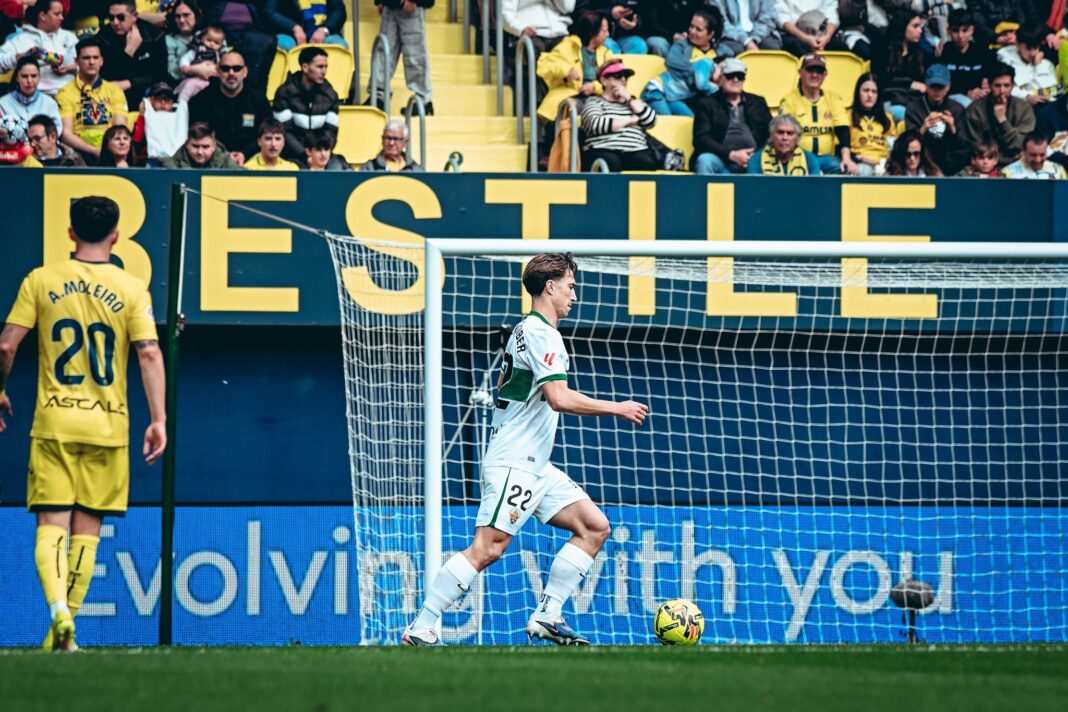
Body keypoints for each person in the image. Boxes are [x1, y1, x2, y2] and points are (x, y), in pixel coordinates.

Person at [402, 252, 649, 647]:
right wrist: (616, 407)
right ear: (550, 287)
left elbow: (519, 390)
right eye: (570, 287)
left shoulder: (524, 330)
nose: (574, 296)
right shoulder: (541, 334)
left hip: (535, 465)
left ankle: (548, 615)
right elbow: (558, 398)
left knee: (594, 527)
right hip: (516, 462)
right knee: (489, 548)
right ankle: (422, 625)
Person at [0, 196, 166, 652]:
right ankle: (65, 630)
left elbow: (6, 345)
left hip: (54, 421)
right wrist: (158, 419)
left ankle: (57, 611)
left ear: (70, 232)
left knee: (51, 525)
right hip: (108, 427)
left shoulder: (40, 280)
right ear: (117, 236)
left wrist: (0, 389)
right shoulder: (132, 288)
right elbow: (149, 352)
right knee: (87, 530)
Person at [187, 49, 270, 165]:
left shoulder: (259, 100)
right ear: (217, 71)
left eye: (237, 68)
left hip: (252, 160)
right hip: (212, 161)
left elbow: (266, 135)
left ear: (245, 72)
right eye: (225, 68)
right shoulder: (201, 100)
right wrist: (224, 156)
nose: (231, 73)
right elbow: (197, 136)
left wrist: (244, 154)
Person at [692, 56, 771, 174]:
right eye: (730, 75)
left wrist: (754, 157)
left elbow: (770, 133)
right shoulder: (706, 103)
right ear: (720, 78)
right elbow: (701, 139)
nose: (735, 80)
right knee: (705, 160)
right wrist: (731, 154)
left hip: (753, 160)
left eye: (740, 76)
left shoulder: (758, 102)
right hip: (720, 159)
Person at [54, 37, 129, 162]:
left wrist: (106, 152)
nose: (92, 62)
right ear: (77, 61)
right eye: (86, 58)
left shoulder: (115, 91)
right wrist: (94, 150)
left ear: (101, 61)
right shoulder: (65, 93)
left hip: (110, 152)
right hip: (78, 153)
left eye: (95, 57)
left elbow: (119, 130)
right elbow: (66, 135)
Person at [778, 53, 855, 174]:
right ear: (800, 72)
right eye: (810, 70)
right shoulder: (789, 101)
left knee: (848, 170)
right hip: (799, 158)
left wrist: (846, 159)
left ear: (825, 75)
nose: (814, 75)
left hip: (828, 159)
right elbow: (785, 134)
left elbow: (843, 131)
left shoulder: (834, 99)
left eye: (819, 71)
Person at [580, 59, 658, 171]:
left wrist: (629, 98)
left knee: (646, 162)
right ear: (604, 80)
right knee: (611, 162)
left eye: (625, 76)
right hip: (603, 149)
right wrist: (630, 120)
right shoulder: (594, 102)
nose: (623, 80)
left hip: (635, 150)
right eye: (617, 76)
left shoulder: (634, 103)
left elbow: (651, 121)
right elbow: (594, 124)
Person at [640, 9, 721, 117]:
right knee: (667, 123)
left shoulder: (718, 54)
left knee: (690, 121)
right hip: (657, 90)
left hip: (674, 97)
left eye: (698, 29)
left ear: (710, 34)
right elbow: (672, 63)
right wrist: (704, 77)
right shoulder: (682, 45)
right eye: (691, 26)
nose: (692, 31)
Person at [535, 9, 611, 123]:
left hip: (599, 98)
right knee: (569, 108)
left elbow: (613, 80)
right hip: (570, 95)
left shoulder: (606, 53)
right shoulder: (568, 46)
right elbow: (545, 66)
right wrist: (567, 70)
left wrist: (594, 87)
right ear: (592, 32)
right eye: (604, 31)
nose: (608, 35)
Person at [960, 61, 1036, 166]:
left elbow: (1020, 144)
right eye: (997, 85)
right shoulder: (975, 110)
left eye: (1006, 85)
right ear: (990, 85)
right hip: (984, 165)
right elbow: (975, 147)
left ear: (1012, 86)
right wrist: (1004, 159)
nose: (1002, 91)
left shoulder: (1024, 109)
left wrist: (1002, 120)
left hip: (1017, 164)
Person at [272, 45, 338, 160]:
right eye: (319, 67)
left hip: (321, 156)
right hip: (292, 157)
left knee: (339, 167)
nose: (324, 71)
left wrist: (319, 154)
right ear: (305, 67)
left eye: (326, 67)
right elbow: (284, 132)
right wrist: (304, 155)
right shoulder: (284, 93)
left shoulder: (330, 95)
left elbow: (331, 132)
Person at [95, 1, 168, 107]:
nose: (115, 22)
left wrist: (131, 83)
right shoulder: (103, 38)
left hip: (146, 91)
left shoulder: (154, 36)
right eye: (111, 18)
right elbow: (108, 74)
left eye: (121, 17)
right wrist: (128, 51)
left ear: (134, 16)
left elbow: (160, 73)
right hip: (114, 93)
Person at [367, 0, 433, 115]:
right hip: (390, 5)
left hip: (412, 7)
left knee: (414, 55)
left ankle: (423, 101)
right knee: (383, 52)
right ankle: (378, 96)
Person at [0, 0, 78, 96]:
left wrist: (72, 68)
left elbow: (88, 63)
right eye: (57, 14)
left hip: (70, 96)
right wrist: (18, 58)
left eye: (62, 14)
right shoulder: (21, 39)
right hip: (36, 98)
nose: (62, 18)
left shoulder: (69, 36)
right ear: (43, 16)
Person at [199, 0, 277, 95]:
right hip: (221, 34)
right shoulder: (216, 5)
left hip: (250, 36)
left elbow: (263, 18)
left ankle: (253, 92)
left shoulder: (252, 5)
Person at [904, 64, 969, 175]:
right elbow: (908, 144)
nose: (937, 91)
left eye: (941, 87)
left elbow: (964, 145)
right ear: (926, 85)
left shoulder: (957, 109)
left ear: (948, 87)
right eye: (933, 86)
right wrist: (923, 129)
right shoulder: (914, 108)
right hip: (924, 160)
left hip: (950, 160)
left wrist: (953, 129)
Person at [872, 9, 927, 117]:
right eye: (915, 26)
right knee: (904, 114)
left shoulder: (920, 52)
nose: (920, 31)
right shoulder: (882, 49)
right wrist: (909, 84)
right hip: (890, 99)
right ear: (903, 27)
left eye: (920, 26)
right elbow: (880, 80)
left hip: (913, 100)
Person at [939, 10, 992, 108]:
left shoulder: (981, 51)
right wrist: (968, 91)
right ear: (948, 31)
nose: (960, 36)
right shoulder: (944, 51)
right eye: (955, 31)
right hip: (953, 97)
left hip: (980, 95)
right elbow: (941, 83)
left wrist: (988, 85)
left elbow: (991, 74)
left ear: (971, 30)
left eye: (964, 30)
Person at [0, 55, 63, 138]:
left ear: (39, 77)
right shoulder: (3, 103)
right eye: (24, 76)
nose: (29, 81)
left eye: (33, 76)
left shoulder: (49, 103)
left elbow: (56, 130)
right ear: (17, 78)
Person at [996, 22, 1059, 106]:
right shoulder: (1005, 60)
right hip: (1018, 105)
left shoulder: (1046, 64)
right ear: (1017, 44)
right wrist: (1026, 96)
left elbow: (1052, 90)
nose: (1032, 53)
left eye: (1035, 48)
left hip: (1046, 106)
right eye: (1028, 48)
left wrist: (1039, 66)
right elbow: (1004, 88)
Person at [848, 72, 895, 176]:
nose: (870, 95)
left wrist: (889, 159)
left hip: (884, 164)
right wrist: (857, 158)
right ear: (858, 92)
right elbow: (840, 148)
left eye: (874, 92)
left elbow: (893, 146)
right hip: (860, 163)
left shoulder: (887, 118)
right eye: (866, 90)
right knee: (864, 171)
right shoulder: (848, 115)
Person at [132, 81, 188, 165]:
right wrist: (142, 115)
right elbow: (137, 141)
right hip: (150, 161)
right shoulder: (140, 117)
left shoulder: (179, 120)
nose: (163, 103)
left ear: (172, 102)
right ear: (150, 100)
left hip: (176, 162)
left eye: (167, 99)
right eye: (158, 99)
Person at [748, 113, 821, 174]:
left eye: (790, 133)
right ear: (771, 136)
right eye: (780, 132)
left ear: (797, 139)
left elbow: (815, 186)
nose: (785, 138)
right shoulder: (757, 159)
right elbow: (754, 186)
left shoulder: (809, 160)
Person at [265, 0, 347, 51]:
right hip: (289, 34)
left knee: (339, 46)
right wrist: (294, 27)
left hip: (324, 34)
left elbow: (339, 11)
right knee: (281, 45)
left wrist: (324, 30)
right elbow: (270, 12)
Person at [575, 0, 651, 54]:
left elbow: (642, 14)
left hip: (622, 35)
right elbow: (580, 12)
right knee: (609, 46)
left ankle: (627, 71)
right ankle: (614, 70)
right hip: (597, 35)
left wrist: (634, 23)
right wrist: (610, 13)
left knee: (639, 45)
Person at [777, 0, 846, 57]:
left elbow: (832, 18)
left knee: (841, 49)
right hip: (792, 35)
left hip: (822, 35)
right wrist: (804, 37)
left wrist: (827, 37)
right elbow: (782, 19)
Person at [175, 23, 225, 100]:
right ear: (202, 38)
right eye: (209, 40)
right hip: (195, 76)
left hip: (210, 80)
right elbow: (186, 57)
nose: (212, 44)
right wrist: (184, 66)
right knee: (189, 87)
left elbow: (223, 64)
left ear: (221, 45)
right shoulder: (198, 49)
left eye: (216, 43)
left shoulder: (219, 54)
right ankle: (181, 101)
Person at [711, 0, 782, 55]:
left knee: (771, 47)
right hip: (730, 34)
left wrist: (755, 38)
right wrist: (746, 41)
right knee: (736, 50)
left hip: (760, 32)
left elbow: (767, 18)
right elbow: (721, 22)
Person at [162, 120, 241, 167]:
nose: (200, 152)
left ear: (214, 146)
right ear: (187, 145)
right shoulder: (171, 166)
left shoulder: (226, 162)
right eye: (195, 146)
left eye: (205, 147)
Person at [1001, 129, 1068, 177]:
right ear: (1023, 152)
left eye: (1042, 155)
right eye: (1033, 155)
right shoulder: (1008, 173)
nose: (1038, 160)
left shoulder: (1059, 171)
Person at [163, 1, 201, 83]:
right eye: (177, 16)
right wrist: (196, 69)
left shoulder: (209, 34)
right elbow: (172, 72)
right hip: (182, 83)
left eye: (186, 15)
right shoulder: (169, 40)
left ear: (196, 15)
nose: (181, 20)